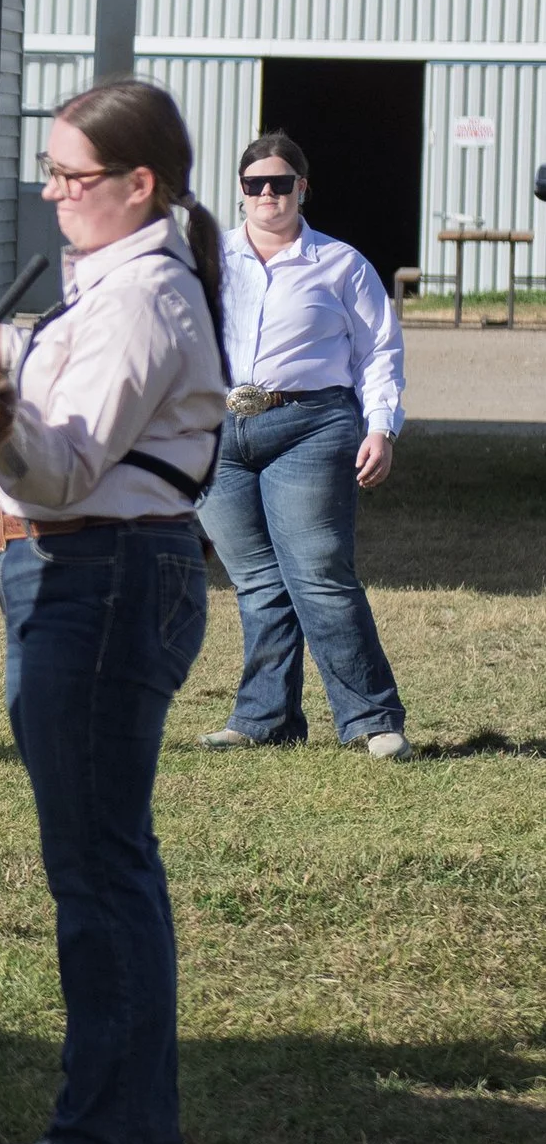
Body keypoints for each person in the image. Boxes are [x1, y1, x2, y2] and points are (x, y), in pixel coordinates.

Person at [0, 80, 227, 1144]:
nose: (54, 193)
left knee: (98, 872)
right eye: (50, 172)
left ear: (138, 184)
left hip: (96, 580)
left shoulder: (141, 297)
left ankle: (104, 1139)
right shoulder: (111, 288)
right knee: (105, 864)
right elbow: (68, 378)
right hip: (85, 577)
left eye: (73, 176)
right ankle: (119, 1124)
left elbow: (59, 466)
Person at [198, 132, 411, 761]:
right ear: (239, 192)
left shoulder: (341, 264)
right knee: (256, 580)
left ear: (302, 188)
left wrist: (381, 426)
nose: (268, 194)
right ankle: (265, 718)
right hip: (217, 431)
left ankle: (372, 719)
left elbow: (379, 351)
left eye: (281, 183)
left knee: (319, 574)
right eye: (254, 184)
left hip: (311, 425)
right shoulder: (208, 260)